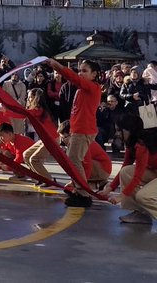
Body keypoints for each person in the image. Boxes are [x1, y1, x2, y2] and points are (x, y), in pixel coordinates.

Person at [100, 114, 157, 228]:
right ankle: (141, 213)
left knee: (143, 196)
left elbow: (137, 177)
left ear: (129, 130)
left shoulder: (142, 144)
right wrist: (109, 188)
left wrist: (121, 196)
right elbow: (125, 167)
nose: (117, 133)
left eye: (119, 130)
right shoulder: (132, 143)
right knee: (126, 172)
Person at [43, 57, 102, 208]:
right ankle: (79, 191)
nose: (80, 73)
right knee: (75, 161)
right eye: (80, 70)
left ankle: (83, 194)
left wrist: (57, 66)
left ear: (94, 74)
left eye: (85, 71)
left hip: (84, 130)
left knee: (74, 161)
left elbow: (73, 78)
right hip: (78, 130)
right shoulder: (82, 89)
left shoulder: (93, 87)